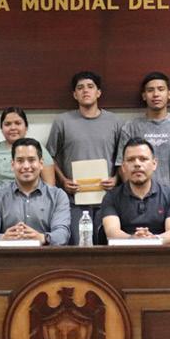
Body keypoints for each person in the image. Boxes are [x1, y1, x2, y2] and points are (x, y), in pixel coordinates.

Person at [117, 72, 170, 240]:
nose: (155, 94)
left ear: (169, 94)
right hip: (137, 207)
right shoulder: (130, 127)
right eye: (150, 90)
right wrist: (136, 193)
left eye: (161, 89)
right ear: (144, 96)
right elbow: (121, 164)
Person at [47, 71, 123, 245]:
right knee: (79, 247)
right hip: (74, 199)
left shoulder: (115, 122)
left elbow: (123, 157)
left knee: (107, 247)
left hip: (108, 199)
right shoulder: (62, 121)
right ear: (75, 94)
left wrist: (116, 178)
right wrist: (63, 180)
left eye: (90, 87)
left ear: (99, 92)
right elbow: (49, 156)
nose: (85, 91)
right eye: (80, 88)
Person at [0, 138, 70, 245]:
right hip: (9, 254)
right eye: (20, 161)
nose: (26, 166)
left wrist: (42, 238)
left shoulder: (58, 196)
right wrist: (3, 238)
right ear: (12, 165)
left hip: (45, 254)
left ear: (41, 163)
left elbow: (63, 235)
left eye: (31, 160)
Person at [101, 138, 170, 244]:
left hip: (161, 251)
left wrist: (153, 240)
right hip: (124, 252)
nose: (137, 164)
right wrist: (133, 240)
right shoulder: (111, 197)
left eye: (143, 159)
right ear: (123, 167)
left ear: (154, 164)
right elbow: (112, 232)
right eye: (131, 160)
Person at [0, 107, 56, 205]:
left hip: (32, 208)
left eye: (18, 123)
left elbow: (50, 187)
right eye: (7, 124)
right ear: (1, 128)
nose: (13, 128)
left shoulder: (38, 149)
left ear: (26, 127)